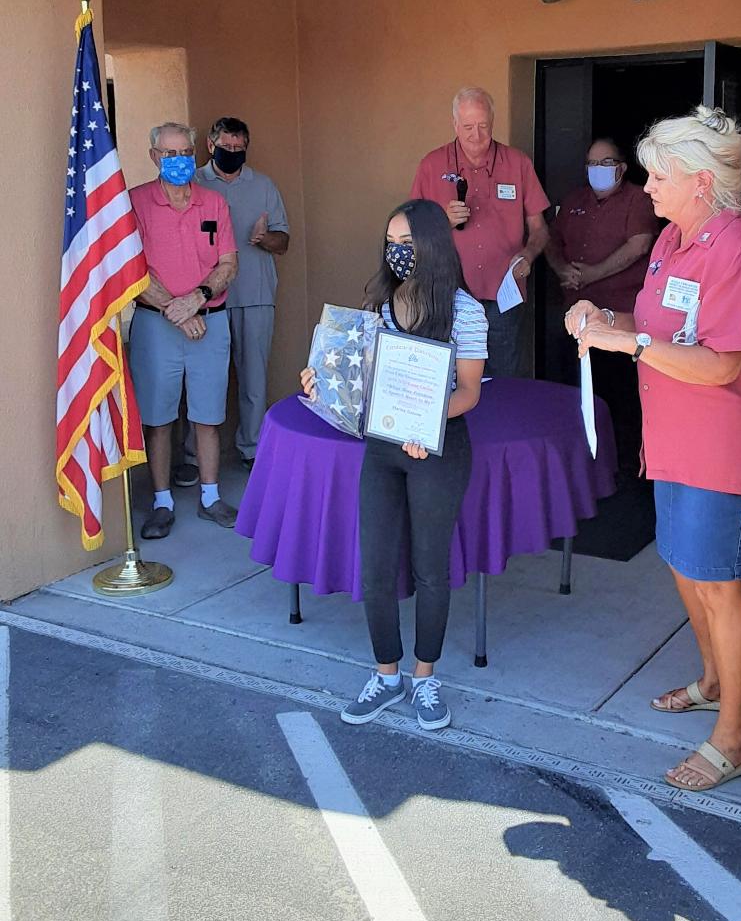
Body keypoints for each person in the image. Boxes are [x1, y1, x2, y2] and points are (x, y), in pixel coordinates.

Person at [565, 106, 741, 791]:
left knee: (719, 585)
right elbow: (656, 326)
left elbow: (719, 362)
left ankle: (734, 737)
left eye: (659, 175)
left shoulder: (737, 248)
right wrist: (602, 318)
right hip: (673, 440)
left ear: (700, 181)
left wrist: (624, 341)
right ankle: (717, 681)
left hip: (720, 446)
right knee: (688, 572)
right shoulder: (670, 242)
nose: (646, 186)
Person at [300, 199, 487, 730]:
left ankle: (425, 679)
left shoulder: (465, 311)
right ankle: (387, 675)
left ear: (432, 245)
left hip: (437, 450)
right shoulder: (379, 303)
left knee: (431, 570)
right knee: (376, 568)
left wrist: (425, 426)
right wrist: (322, 384)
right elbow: (358, 380)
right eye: (390, 244)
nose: (397, 254)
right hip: (383, 450)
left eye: (407, 244)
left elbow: (469, 393)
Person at [129, 122, 239, 538]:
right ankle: (161, 502)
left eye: (185, 153)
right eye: (170, 155)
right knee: (158, 419)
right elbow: (132, 271)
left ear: (196, 153)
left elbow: (229, 263)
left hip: (209, 322)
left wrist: (196, 299)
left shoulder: (213, 204)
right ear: (155, 157)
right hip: (157, 325)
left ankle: (210, 497)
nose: (179, 162)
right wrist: (176, 310)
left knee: (208, 414)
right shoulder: (136, 202)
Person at [169, 117, 289, 482]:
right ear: (210, 145)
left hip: (254, 294)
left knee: (254, 379)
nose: (232, 153)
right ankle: (193, 457)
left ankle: (252, 449)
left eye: (239, 148)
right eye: (226, 146)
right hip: (205, 301)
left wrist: (263, 239)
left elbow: (283, 243)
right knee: (201, 381)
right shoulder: (192, 182)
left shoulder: (264, 185)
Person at [409, 86, 549, 377]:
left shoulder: (518, 163)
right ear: (455, 125)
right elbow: (408, 232)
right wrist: (440, 221)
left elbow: (539, 229)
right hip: (448, 297)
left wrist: (529, 255)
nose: (476, 135)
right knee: (449, 380)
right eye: (468, 127)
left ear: (493, 123)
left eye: (483, 126)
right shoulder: (431, 165)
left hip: (503, 297)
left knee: (504, 383)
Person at [545, 138, 658, 476]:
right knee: (580, 395)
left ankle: (621, 470)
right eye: (592, 164)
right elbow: (550, 240)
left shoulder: (639, 199)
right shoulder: (575, 200)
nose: (598, 170)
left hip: (621, 320)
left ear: (621, 168)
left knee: (620, 399)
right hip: (576, 320)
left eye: (606, 163)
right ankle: (584, 466)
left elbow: (639, 245)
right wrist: (562, 269)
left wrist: (593, 273)